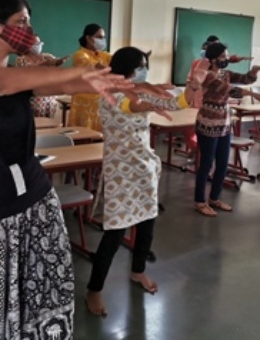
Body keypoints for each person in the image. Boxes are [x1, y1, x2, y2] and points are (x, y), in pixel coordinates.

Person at [0, 0, 135, 339]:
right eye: (21, 21)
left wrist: (128, 84)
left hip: (36, 203)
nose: (30, 29)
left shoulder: (20, 79)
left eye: (29, 21)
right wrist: (80, 74)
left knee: (41, 301)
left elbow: (67, 82)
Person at [85, 46, 200, 317]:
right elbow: (136, 105)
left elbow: (174, 103)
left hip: (144, 169)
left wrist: (192, 89)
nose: (144, 70)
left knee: (147, 225)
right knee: (114, 233)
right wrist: (153, 103)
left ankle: (138, 272)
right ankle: (94, 289)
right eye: (141, 66)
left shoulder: (138, 90)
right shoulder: (112, 95)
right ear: (126, 69)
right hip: (121, 174)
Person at [193, 42, 260, 217]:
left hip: (224, 124)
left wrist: (254, 71)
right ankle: (199, 201)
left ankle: (214, 198)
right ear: (212, 59)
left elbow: (244, 79)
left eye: (226, 56)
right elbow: (231, 90)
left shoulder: (226, 73)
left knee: (223, 163)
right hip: (208, 123)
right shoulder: (207, 75)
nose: (226, 59)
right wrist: (254, 95)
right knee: (206, 164)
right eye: (223, 57)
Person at [68, 23, 112, 131]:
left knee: (100, 139)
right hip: (84, 103)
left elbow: (121, 61)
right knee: (84, 135)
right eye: (100, 37)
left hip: (101, 103)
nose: (103, 40)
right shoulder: (80, 54)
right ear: (88, 38)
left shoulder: (104, 55)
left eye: (104, 37)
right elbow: (96, 67)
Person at [15, 36, 68, 118]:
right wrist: (42, 65)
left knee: (50, 122)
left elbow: (55, 67)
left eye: (39, 43)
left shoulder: (47, 56)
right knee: (36, 121)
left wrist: (59, 61)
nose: (38, 46)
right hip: (34, 96)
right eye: (35, 43)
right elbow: (23, 75)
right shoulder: (21, 59)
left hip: (49, 96)